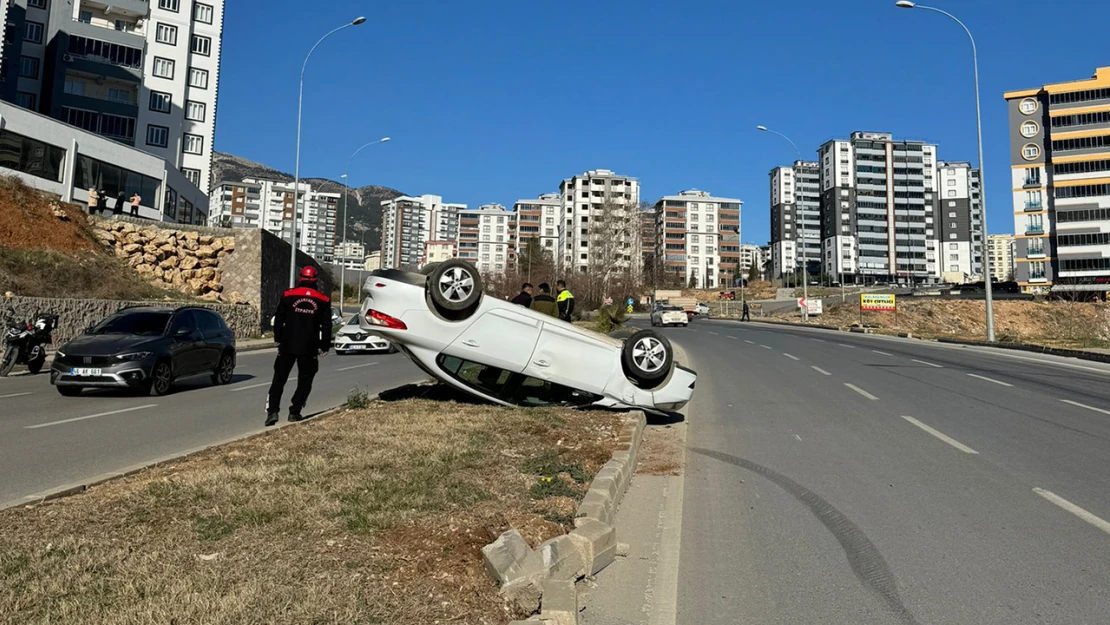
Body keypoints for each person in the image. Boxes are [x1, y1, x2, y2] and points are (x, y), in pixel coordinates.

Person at [266, 266, 332, 426]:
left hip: (287, 344)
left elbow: (279, 318)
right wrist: (324, 346)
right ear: (316, 280)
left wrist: (278, 338)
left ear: (300, 278)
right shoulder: (323, 300)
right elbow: (326, 326)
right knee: (305, 380)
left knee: (279, 379)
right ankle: (295, 411)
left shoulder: (288, 295)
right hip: (309, 347)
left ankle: (272, 411)